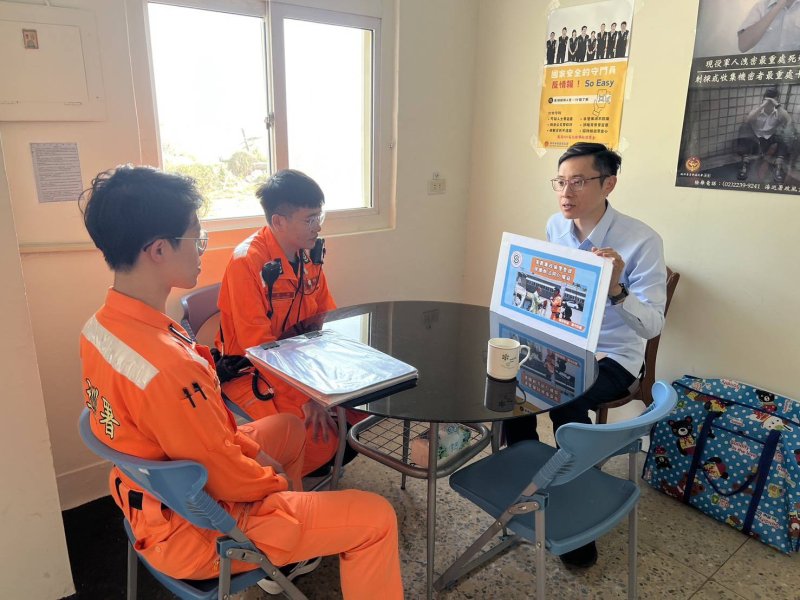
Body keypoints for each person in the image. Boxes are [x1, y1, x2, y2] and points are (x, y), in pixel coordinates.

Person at [78, 165, 403, 598]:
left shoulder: (100, 329)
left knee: (288, 429)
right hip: (201, 528)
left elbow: (208, 440)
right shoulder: (171, 370)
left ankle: (292, 546)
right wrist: (271, 478)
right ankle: (280, 534)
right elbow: (226, 478)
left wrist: (257, 457)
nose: (202, 249)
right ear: (158, 250)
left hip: (158, 493)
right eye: (197, 238)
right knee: (376, 517)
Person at [504, 142, 667, 569]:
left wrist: (617, 289)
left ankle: (574, 512)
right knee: (507, 383)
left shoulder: (641, 241)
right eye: (560, 182)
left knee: (566, 402)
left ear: (608, 184)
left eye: (578, 182)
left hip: (613, 355)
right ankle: (529, 479)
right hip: (563, 343)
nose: (566, 192)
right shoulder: (556, 226)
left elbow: (653, 325)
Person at [216, 169, 355, 478]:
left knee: (356, 410)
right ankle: (289, 484)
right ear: (278, 221)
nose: (317, 226)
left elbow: (326, 315)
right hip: (253, 368)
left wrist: (347, 364)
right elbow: (258, 347)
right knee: (322, 439)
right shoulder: (246, 262)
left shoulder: (308, 255)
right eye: (309, 219)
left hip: (301, 359)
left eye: (319, 216)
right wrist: (305, 399)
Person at [736, 88, 794, 183]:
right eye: (768, 99)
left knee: (787, 131)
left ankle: (778, 165)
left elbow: (789, 121)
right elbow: (747, 120)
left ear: (776, 100)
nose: (769, 103)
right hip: (756, 140)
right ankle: (744, 163)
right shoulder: (758, 110)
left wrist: (777, 105)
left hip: (770, 140)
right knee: (744, 127)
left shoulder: (778, 111)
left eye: (772, 100)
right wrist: (763, 105)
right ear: (763, 99)